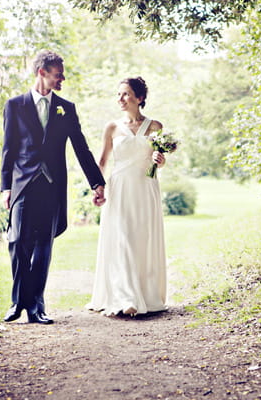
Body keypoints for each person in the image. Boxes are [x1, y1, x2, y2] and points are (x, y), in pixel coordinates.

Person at [1, 50, 106, 324]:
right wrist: (5, 187)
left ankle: (36, 307)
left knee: (43, 247)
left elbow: (81, 148)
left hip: (51, 187)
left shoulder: (66, 108)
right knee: (17, 243)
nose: (63, 79)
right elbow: (8, 149)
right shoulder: (15, 105)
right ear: (42, 73)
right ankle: (17, 302)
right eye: (58, 74)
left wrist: (97, 182)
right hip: (22, 185)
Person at [86, 76, 167, 317]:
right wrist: (97, 188)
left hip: (145, 188)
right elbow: (102, 162)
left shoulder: (155, 127)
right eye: (118, 94)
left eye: (125, 94)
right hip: (119, 189)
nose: (120, 99)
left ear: (139, 98)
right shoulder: (112, 128)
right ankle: (126, 297)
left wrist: (161, 161)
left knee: (142, 239)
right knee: (122, 238)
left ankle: (144, 292)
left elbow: (158, 161)